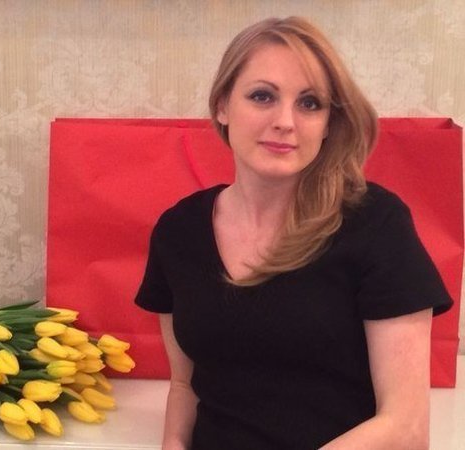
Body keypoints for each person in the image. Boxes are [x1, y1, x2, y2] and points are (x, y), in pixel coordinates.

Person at [135, 16, 453, 450]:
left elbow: (406, 428)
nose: (285, 121)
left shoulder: (376, 224)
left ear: (329, 123)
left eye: (310, 103)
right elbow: (184, 385)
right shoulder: (179, 231)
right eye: (262, 96)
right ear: (222, 106)